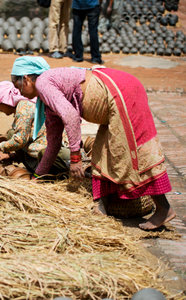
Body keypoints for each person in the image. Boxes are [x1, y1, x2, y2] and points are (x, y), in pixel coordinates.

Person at [10, 56, 176, 230]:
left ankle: (164, 208)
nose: (19, 92)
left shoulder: (44, 83)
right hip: (115, 96)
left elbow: (71, 116)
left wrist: (75, 157)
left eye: (17, 86)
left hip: (122, 92)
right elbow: (53, 143)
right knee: (102, 151)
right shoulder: (48, 98)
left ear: (26, 79)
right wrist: (37, 178)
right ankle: (101, 207)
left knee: (133, 151)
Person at [0, 81, 69, 176]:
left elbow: (19, 141)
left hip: (57, 153)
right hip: (43, 147)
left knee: (40, 151)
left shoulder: (24, 107)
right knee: (12, 133)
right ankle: (39, 169)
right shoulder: (23, 106)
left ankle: (50, 174)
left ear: (5, 101)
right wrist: (10, 156)